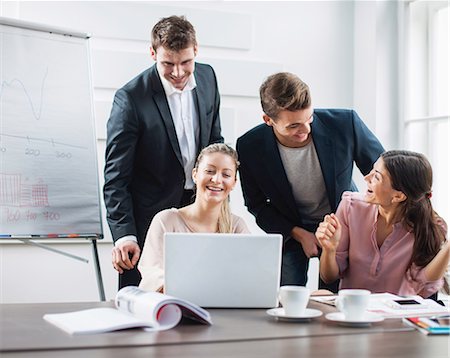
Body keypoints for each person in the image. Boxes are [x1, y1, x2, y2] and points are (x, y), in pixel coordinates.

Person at [104, 16, 223, 289]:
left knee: (202, 294)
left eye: (186, 63)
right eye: (168, 63)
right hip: (148, 219)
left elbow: (215, 141)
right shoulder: (130, 99)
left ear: (196, 50)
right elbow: (116, 178)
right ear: (152, 53)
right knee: (143, 303)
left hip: (199, 211)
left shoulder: (208, 78)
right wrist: (125, 236)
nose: (179, 73)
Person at [236, 72, 384, 290]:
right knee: (287, 296)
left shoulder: (345, 124)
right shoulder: (250, 146)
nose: (306, 130)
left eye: (309, 118)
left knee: (336, 296)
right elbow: (257, 205)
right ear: (268, 120)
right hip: (291, 228)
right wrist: (298, 233)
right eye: (294, 126)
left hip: (341, 223)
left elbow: (384, 172)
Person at [316, 150, 449, 298]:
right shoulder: (350, 207)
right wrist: (330, 249)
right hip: (352, 310)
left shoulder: (432, 226)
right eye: (372, 171)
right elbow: (328, 277)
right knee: (319, 294)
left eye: (377, 177)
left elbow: (423, 285)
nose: (367, 178)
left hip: (396, 315)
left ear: (398, 196)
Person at [138, 143, 249, 292]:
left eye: (226, 175)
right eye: (210, 171)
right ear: (195, 174)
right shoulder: (166, 221)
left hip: (223, 310)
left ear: (234, 182)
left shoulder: (237, 226)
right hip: (175, 307)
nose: (216, 179)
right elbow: (152, 274)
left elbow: (248, 275)